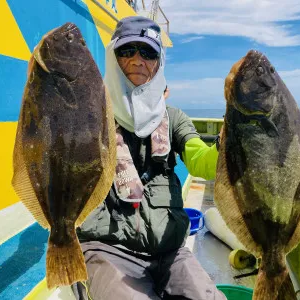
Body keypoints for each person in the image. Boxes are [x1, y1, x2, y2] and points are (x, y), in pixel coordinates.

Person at [72, 16, 225, 300]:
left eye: (149, 52)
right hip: (107, 248)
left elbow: (201, 160)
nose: (138, 59)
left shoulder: (173, 118)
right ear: (113, 57)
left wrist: (228, 144)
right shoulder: (89, 118)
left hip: (169, 251)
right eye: (127, 50)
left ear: (158, 62)